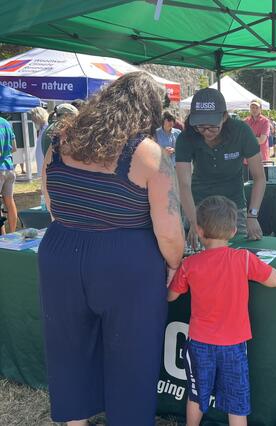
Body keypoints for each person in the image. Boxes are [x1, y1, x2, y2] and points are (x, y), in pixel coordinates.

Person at [39, 71, 185, 426]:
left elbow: (50, 201)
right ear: (148, 111)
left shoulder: (60, 139)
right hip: (127, 262)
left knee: (68, 346)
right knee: (133, 355)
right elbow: (170, 233)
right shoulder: (150, 154)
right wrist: (172, 264)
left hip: (61, 251)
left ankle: (75, 421)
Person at [168, 195, 276, 426]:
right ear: (233, 231)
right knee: (236, 403)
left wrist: (172, 273)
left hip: (199, 343)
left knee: (196, 394)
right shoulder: (243, 259)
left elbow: (170, 297)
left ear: (199, 231)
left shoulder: (190, 265)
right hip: (233, 344)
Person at [175, 88, 266, 247]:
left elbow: (259, 177)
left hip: (234, 207)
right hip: (198, 206)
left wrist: (252, 216)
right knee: (198, 254)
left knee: (239, 253)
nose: (206, 132)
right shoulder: (186, 136)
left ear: (224, 117)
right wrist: (193, 221)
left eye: (212, 126)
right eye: (200, 127)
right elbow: (183, 183)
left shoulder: (241, 131)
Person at [0, 116, 17, 233]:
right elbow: (14, 147)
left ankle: (3, 235)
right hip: (9, 167)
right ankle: (11, 234)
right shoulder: (6, 123)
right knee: (10, 203)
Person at [30, 107, 49, 177]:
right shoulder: (41, 128)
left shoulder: (47, 127)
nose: (32, 120)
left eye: (33, 118)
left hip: (46, 160)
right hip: (42, 161)